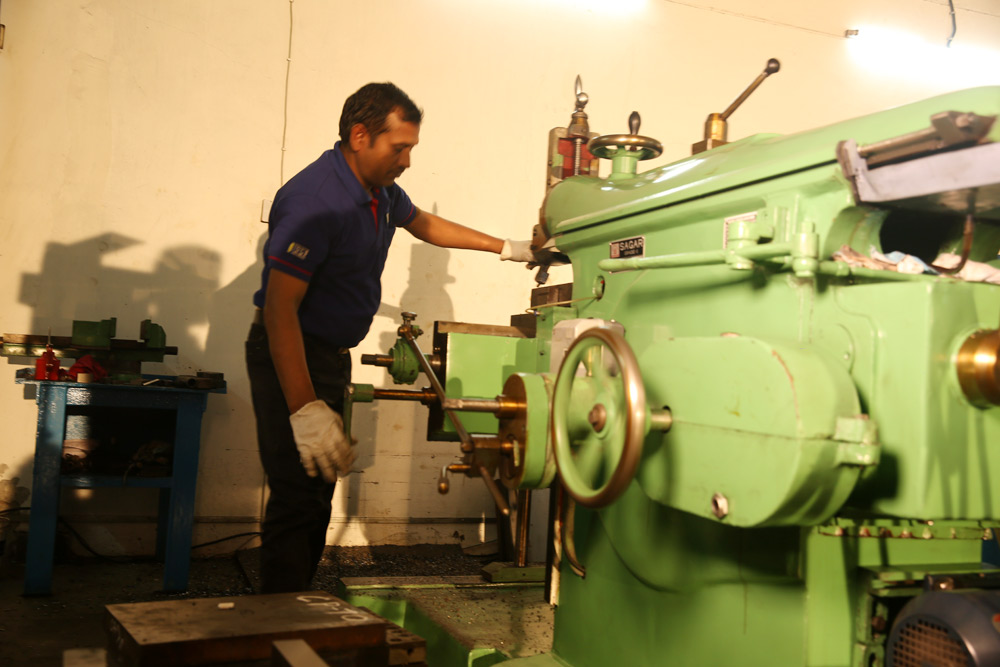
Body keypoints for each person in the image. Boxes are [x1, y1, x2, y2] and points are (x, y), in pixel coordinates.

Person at [246, 82, 534, 594]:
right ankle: (273, 618)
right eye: (399, 148)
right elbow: (278, 311)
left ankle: (291, 606)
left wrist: (509, 247)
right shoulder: (316, 202)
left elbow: (422, 223)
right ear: (360, 136)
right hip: (288, 354)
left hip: (329, 355)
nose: (407, 161)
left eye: (410, 149)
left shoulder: (378, 191)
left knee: (317, 492)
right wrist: (304, 407)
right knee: (296, 497)